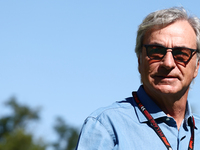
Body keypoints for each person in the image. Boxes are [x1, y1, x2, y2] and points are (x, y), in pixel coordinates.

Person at [75, 7, 200, 150]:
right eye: (156, 52)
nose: (168, 63)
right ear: (140, 61)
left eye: (181, 54)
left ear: (196, 66)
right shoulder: (107, 126)